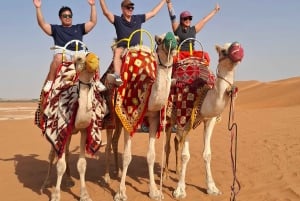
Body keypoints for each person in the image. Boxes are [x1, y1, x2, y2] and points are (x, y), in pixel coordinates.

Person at [33, 0, 104, 92]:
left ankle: (97, 81)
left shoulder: (79, 28)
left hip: (79, 53)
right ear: (60, 18)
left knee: (93, 58)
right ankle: (50, 82)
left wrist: (93, 5)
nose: (68, 18)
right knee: (58, 57)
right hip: (63, 53)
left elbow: (93, 22)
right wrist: (38, 8)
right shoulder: (56, 29)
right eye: (65, 16)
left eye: (70, 16)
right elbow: (42, 24)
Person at [99, 0, 167, 86]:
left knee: (154, 55)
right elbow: (106, 12)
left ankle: (161, 76)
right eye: (128, 7)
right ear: (122, 9)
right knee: (117, 51)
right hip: (124, 48)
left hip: (138, 48)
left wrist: (164, 1)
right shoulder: (118, 20)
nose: (130, 9)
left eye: (132, 8)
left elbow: (153, 13)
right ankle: (117, 75)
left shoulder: (138, 18)